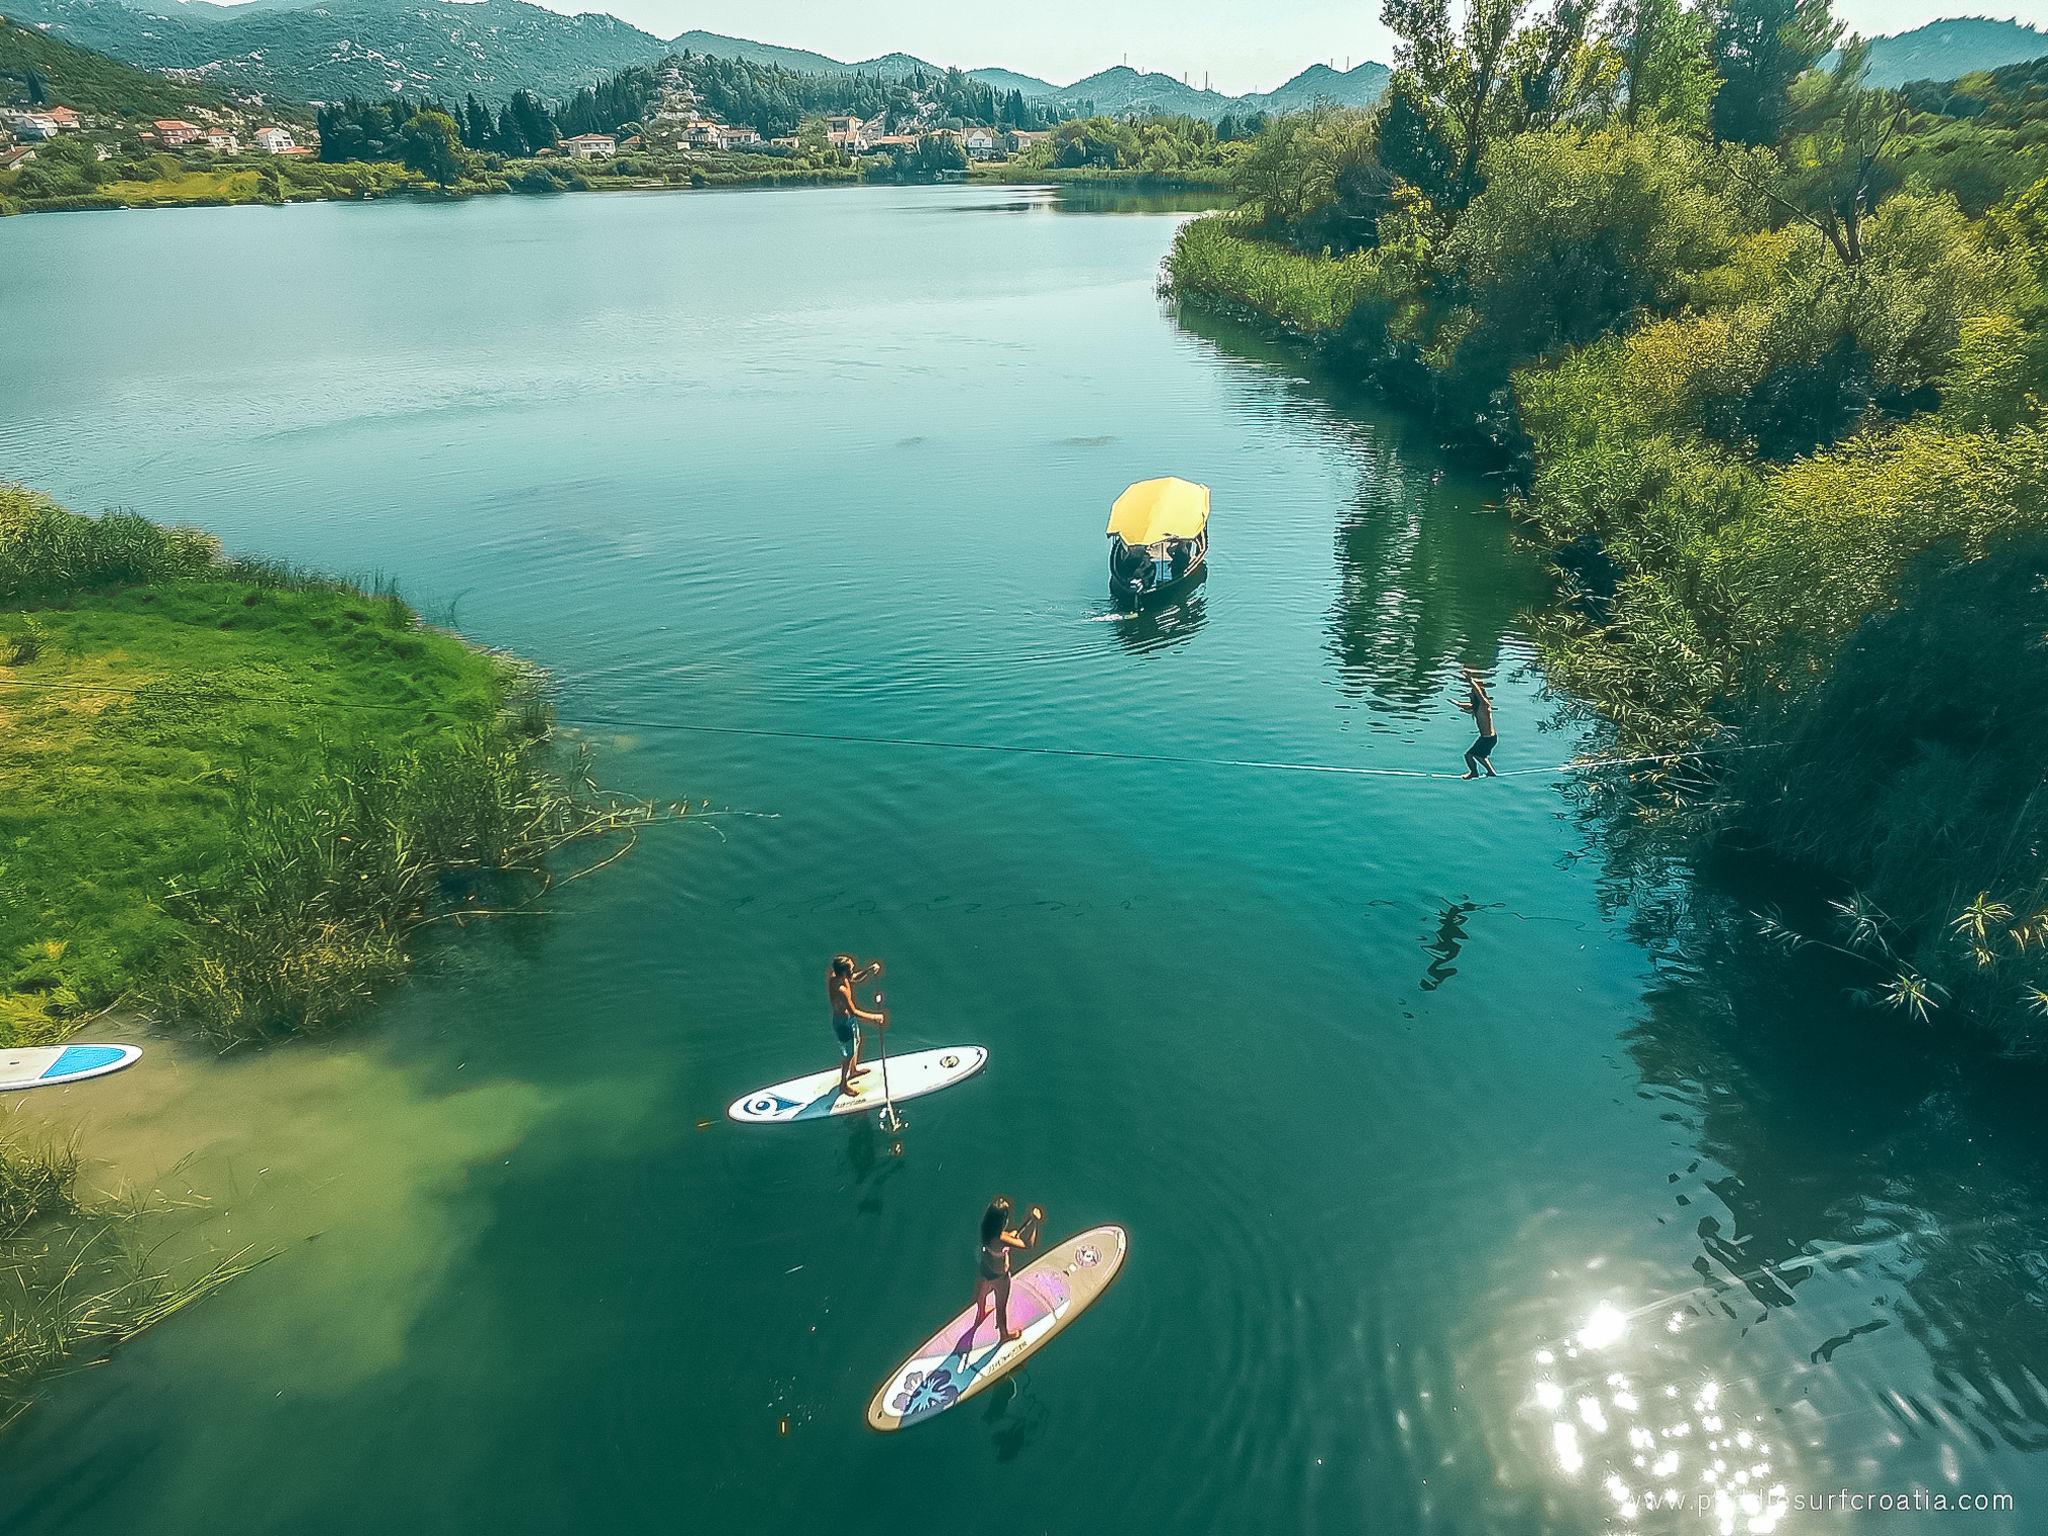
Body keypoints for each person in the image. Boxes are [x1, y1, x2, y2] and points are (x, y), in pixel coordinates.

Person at [972, 1195, 1043, 1345]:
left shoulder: (986, 1229)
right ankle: (1004, 1335)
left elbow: (1002, 1240)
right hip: (999, 1276)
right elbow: (1028, 1245)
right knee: (1001, 1305)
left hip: (985, 1269)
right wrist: (1035, 1222)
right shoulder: (1001, 1238)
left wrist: (1010, 1237)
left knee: (982, 1292)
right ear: (1002, 1220)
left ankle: (981, 1313)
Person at [827, 954, 886, 1096]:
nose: (853, 970)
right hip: (843, 1024)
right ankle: (843, 1085)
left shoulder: (838, 976)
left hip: (849, 1021)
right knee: (848, 1055)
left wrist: (869, 970)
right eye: (851, 968)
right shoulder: (841, 989)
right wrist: (875, 1017)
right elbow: (853, 1011)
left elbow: (855, 978)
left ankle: (853, 1071)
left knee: (857, 1041)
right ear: (843, 972)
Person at [1457, 666, 1498, 778]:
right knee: (1480, 756)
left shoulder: (1485, 706)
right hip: (1488, 738)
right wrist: (1457, 703)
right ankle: (1491, 772)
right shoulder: (1478, 707)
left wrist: (1471, 681)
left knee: (1469, 755)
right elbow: (1469, 706)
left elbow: (1479, 695)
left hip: (1487, 739)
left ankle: (1474, 773)